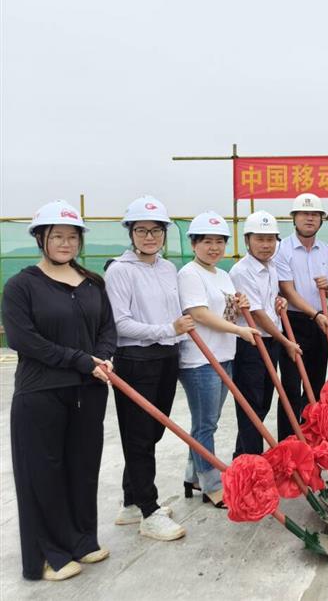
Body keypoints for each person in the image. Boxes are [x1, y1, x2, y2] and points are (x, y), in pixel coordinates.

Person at [2, 200, 116, 581]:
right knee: (43, 473)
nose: (66, 244)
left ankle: (82, 540)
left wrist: (103, 357)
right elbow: (23, 340)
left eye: (72, 237)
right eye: (57, 237)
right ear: (41, 239)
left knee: (83, 468)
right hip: (41, 393)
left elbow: (107, 329)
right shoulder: (21, 286)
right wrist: (82, 360)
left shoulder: (92, 283)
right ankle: (49, 555)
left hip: (89, 390)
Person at [104, 196, 190, 542]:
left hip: (167, 357)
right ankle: (149, 511)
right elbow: (120, 323)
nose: (150, 236)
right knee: (138, 435)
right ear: (131, 233)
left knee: (152, 432)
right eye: (142, 230)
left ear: (165, 233)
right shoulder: (120, 270)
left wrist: (174, 336)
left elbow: (177, 313)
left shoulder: (167, 268)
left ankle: (131, 502)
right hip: (136, 360)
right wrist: (167, 330)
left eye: (156, 230)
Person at [177, 211, 258, 508]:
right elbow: (199, 314)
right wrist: (239, 330)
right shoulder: (189, 274)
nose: (214, 247)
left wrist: (239, 305)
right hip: (200, 360)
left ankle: (193, 474)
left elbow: (225, 314)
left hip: (223, 355)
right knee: (206, 424)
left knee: (207, 422)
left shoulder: (222, 275)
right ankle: (211, 485)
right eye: (207, 241)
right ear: (194, 244)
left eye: (219, 242)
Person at [229, 211, 300, 456]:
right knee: (251, 406)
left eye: (271, 239)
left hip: (270, 342)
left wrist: (280, 301)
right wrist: (286, 341)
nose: (266, 245)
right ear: (247, 240)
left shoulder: (271, 266)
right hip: (251, 343)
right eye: (260, 239)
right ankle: (252, 461)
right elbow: (257, 314)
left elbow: (268, 302)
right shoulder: (241, 271)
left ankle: (243, 457)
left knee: (263, 403)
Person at [273, 193, 328, 441]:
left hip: (320, 324)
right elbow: (287, 290)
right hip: (293, 323)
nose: (310, 218)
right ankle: (289, 441)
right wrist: (314, 314)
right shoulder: (282, 249)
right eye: (304, 214)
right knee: (291, 387)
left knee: (316, 386)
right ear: (294, 218)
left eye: (315, 214)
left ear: (321, 219)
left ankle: (312, 439)